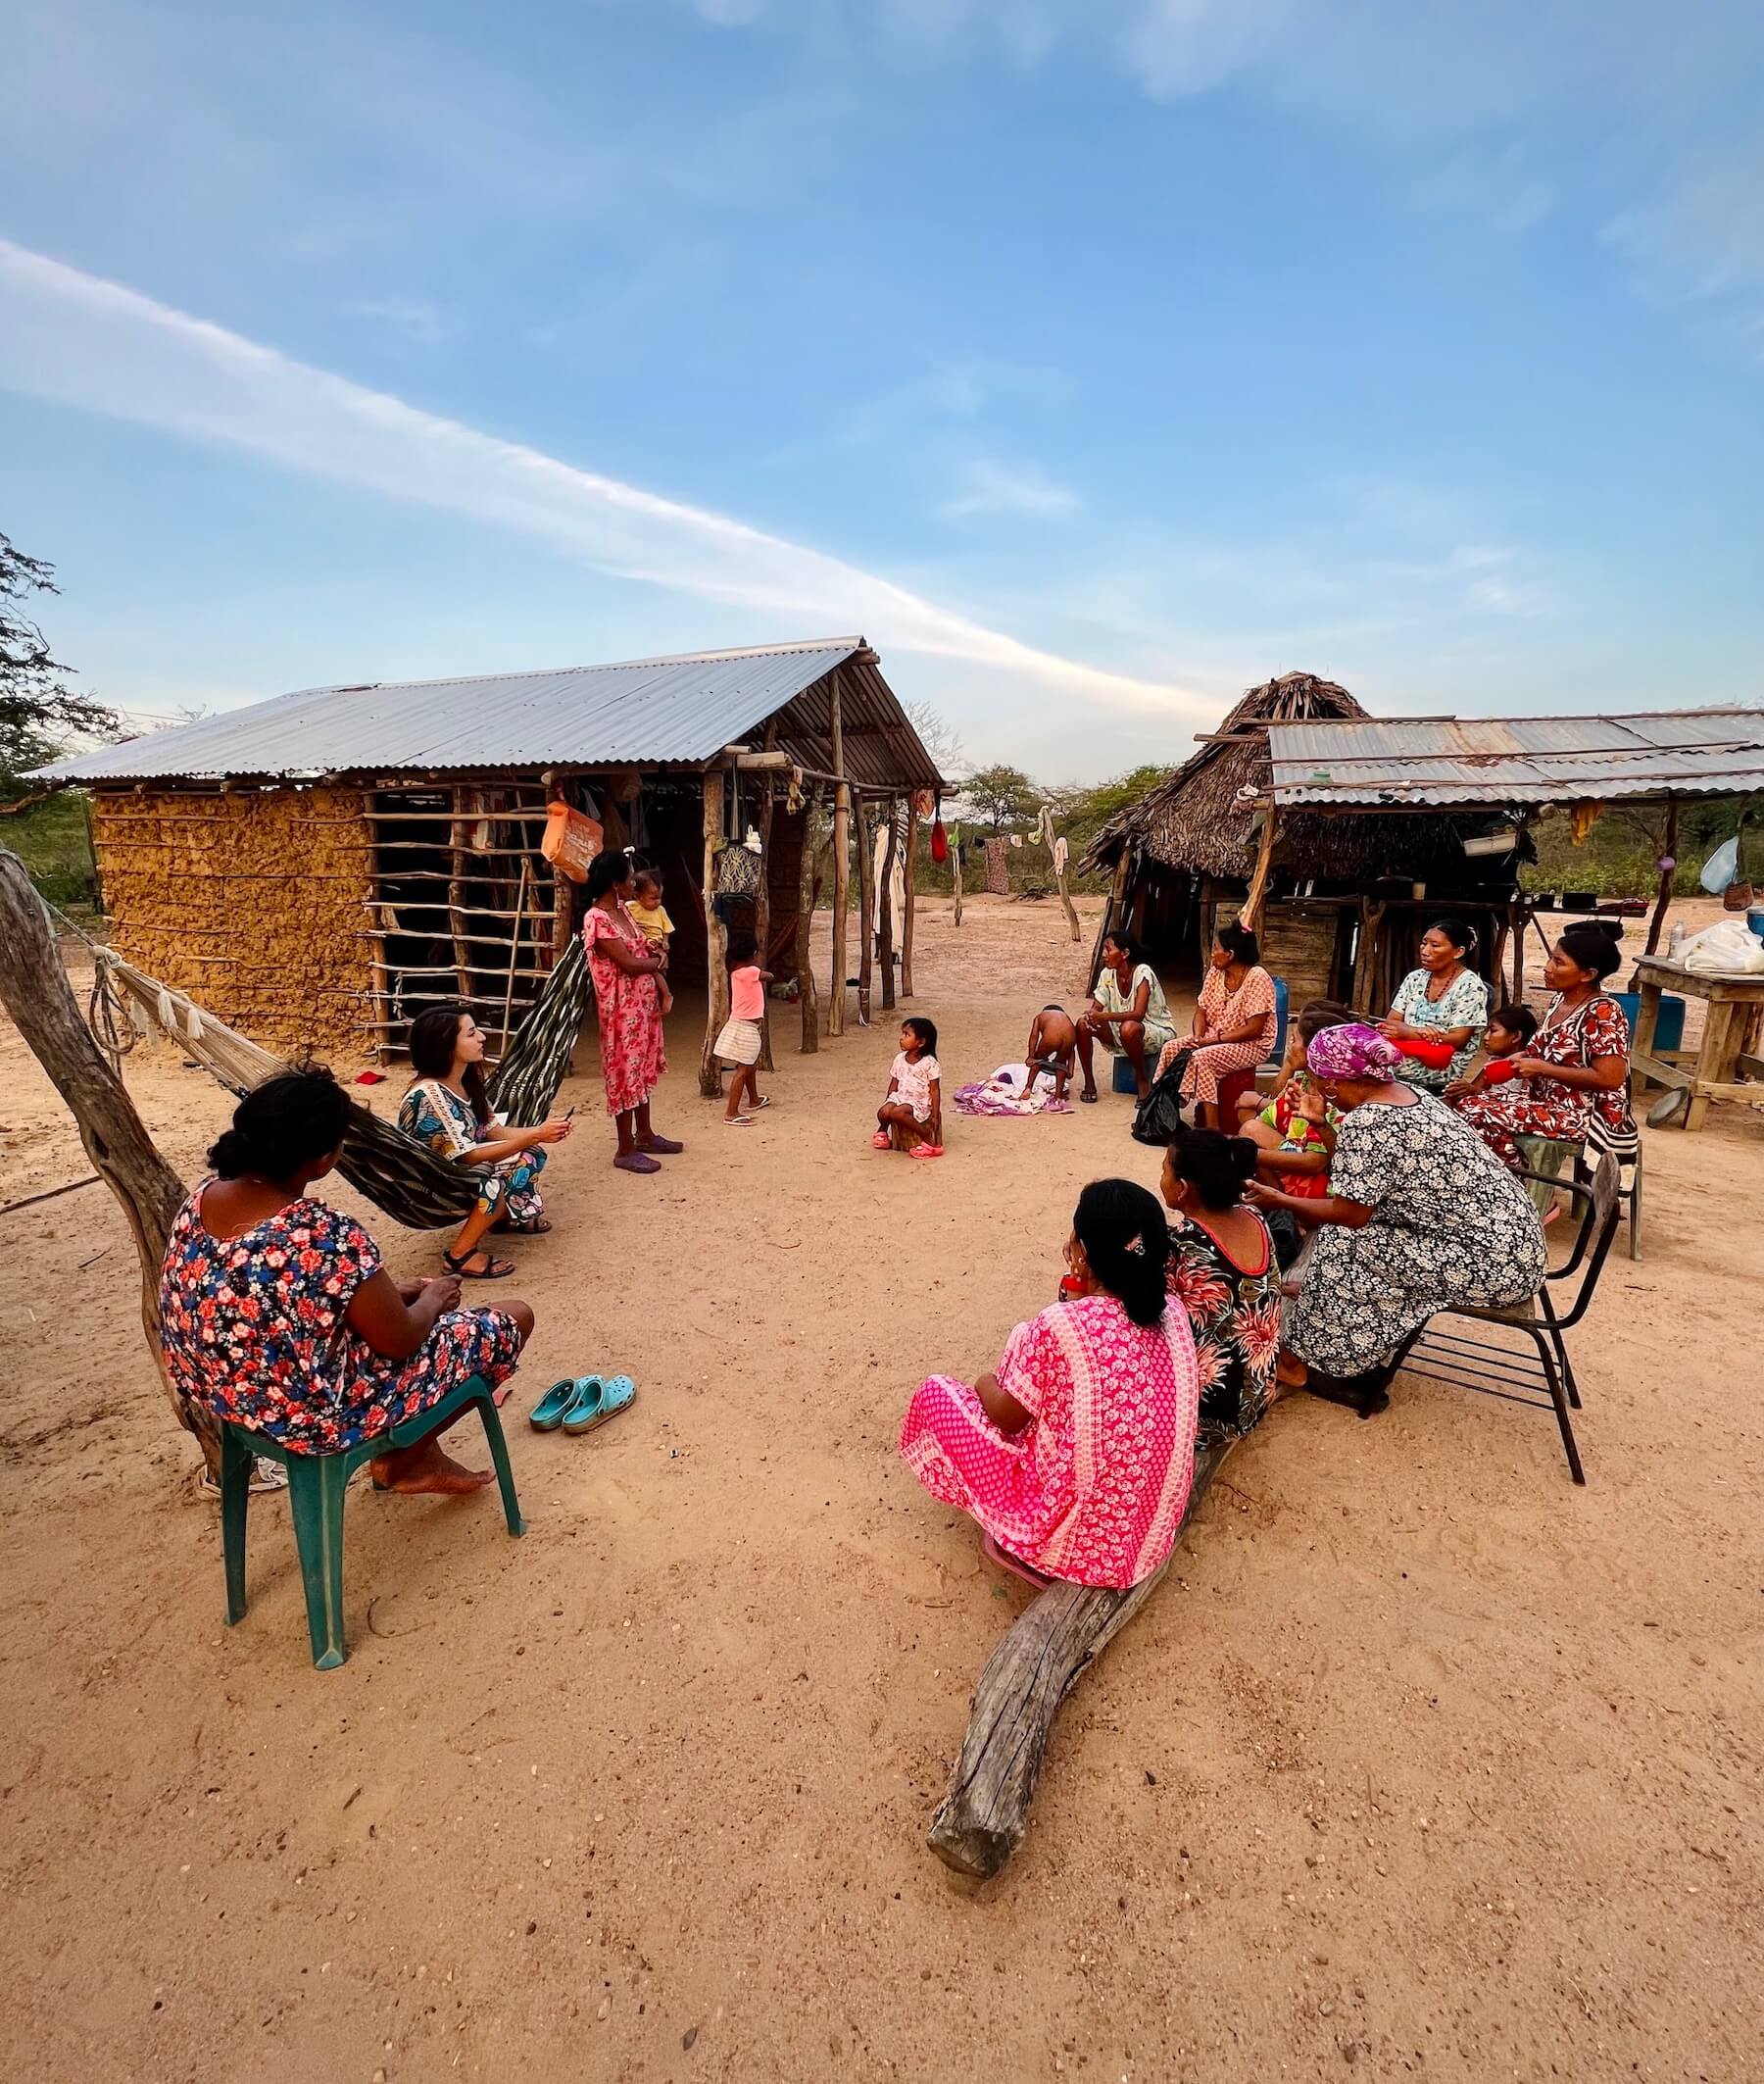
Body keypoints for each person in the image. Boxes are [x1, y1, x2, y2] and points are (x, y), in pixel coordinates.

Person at [161, 1069, 535, 1495]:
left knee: (398, 1327)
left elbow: (271, 1297)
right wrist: (433, 1297)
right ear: (324, 1160)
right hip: (311, 1420)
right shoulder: (323, 1232)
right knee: (513, 1319)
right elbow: (401, 1340)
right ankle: (401, 1461)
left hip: (231, 1397)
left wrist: (392, 1295)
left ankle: (418, 1455)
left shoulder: (200, 1200)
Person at [900, 1178, 1200, 1588]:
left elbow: (1007, 1416)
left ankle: (1025, 1545)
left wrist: (983, 1381)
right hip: (1143, 1541)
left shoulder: (1060, 1325)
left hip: (1078, 1547)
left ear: (1083, 1252)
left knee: (937, 1392)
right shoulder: (1175, 1313)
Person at [1245, 1024, 1545, 1409]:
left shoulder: (1369, 1122)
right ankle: (1328, 1308)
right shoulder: (1406, 1095)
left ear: (1332, 1084)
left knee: (1344, 1241)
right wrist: (1320, 1125)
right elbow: (1358, 1173)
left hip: (1495, 1263)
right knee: (1345, 1242)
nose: (1315, 1088)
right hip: (1511, 1243)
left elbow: (1349, 1212)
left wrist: (1280, 1199)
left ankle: (1297, 1361)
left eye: (1317, 1080)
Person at [399, 1004, 573, 1279]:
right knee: (500, 1175)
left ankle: (504, 1216)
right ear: (445, 1045)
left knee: (531, 1153)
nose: (481, 1037)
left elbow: (492, 1131)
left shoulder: (464, 1081)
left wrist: (540, 1131)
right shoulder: (429, 1097)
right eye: (471, 1034)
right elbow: (467, 1157)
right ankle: (460, 1255)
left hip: (460, 1168)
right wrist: (534, 1134)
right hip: (435, 1184)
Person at [1449, 922, 1637, 1174]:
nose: (1547, 968)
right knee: (1463, 1103)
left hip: (1584, 1115)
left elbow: (1610, 1078)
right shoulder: (1560, 1000)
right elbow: (1546, 1050)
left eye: (1559, 963)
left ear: (1588, 974)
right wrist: (1523, 1058)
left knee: (1476, 1111)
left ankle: (1520, 1186)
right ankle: (1515, 1177)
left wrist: (1543, 1069)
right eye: (1551, 958)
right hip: (1546, 1103)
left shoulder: (1603, 1012)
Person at [1159, 1128, 1282, 1446]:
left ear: (1183, 1188)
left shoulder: (1182, 1244)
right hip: (1253, 1398)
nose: (1162, 1178)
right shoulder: (1254, 1215)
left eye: (1165, 1170)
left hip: (1204, 1419)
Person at [582, 848, 682, 1175]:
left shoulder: (624, 910)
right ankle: (625, 1148)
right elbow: (627, 962)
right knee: (625, 1074)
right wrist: (659, 962)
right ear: (614, 884)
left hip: (641, 1008)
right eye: (627, 877)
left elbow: (639, 950)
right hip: (620, 1012)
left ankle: (645, 1135)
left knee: (639, 1071)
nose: (632, 882)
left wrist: (654, 964)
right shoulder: (596, 919)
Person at [1153, 922, 1279, 1127]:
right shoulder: (1215, 972)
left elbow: (1254, 1029)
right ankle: (1165, 1113)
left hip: (1252, 1044)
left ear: (1230, 954)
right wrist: (1198, 1036)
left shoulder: (1257, 977)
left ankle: (1212, 1128)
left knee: (1201, 1058)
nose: (1212, 954)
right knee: (1171, 1048)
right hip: (1215, 1035)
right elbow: (1200, 1010)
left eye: (1216, 949)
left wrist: (1212, 1041)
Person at [1380, 920, 1490, 1092]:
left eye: (1435, 946)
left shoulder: (1470, 986)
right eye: (1424, 943)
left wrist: (1411, 1032)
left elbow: (1459, 1039)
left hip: (1440, 1072)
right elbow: (1391, 1023)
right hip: (1402, 1061)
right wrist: (1422, 1033)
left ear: (1458, 952)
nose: (1425, 951)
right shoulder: (1414, 978)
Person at [1077, 931, 1177, 1103]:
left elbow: (1138, 1014)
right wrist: (1093, 1016)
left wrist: (1103, 1016)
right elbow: (1097, 1007)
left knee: (1129, 1027)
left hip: (1155, 1030)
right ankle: (1089, 1082)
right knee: (1082, 1024)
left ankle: (1142, 1080)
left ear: (1125, 953)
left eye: (1108, 950)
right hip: (1122, 1031)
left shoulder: (1143, 972)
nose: (1104, 955)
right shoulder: (1107, 974)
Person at [715, 933, 772, 1125]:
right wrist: (757, 965)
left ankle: (754, 1099)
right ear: (753, 954)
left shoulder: (735, 973)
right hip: (747, 1028)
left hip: (739, 1024)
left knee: (748, 1065)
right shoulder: (750, 972)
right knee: (744, 1069)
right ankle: (731, 1113)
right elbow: (769, 976)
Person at [875, 1016, 943, 1156]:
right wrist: (888, 1101)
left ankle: (926, 1136)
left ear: (921, 1042)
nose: (901, 1038)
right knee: (883, 1112)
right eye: (902, 1034)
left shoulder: (929, 1063)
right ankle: (883, 1130)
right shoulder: (899, 1058)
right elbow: (894, 1082)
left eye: (907, 1035)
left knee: (897, 1113)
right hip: (900, 1097)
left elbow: (935, 1090)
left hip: (918, 1102)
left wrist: (935, 1114)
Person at [1444, 1003, 1538, 1100]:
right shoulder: (1494, 1060)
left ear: (1516, 1036)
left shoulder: (1527, 1068)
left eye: (1493, 1031)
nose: (1486, 1037)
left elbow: (1517, 1104)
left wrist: (1474, 1091)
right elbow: (1475, 1088)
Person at [628, 866, 675, 1019]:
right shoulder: (630, 907)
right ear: (638, 896)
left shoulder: (660, 910)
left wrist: (666, 941)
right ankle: (663, 995)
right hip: (640, 944)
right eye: (653, 898)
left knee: (657, 970)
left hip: (656, 945)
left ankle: (666, 995)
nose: (657, 902)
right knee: (651, 971)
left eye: (659, 897)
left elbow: (666, 928)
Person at [1020, 1004, 1078, 1105]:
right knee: (1060, 1065)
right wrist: (1070, 1069)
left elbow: (1034, 1036)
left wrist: (1031, 1057)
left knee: (1038, 1061)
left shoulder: (1040, 1016)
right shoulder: (1066, 1018)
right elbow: (1072, 1050)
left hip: (1052, 1036)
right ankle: (1058, 1097)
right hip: (1070, 1037)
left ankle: (1028, 1089)